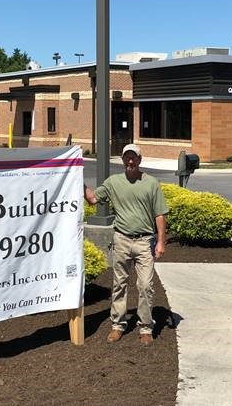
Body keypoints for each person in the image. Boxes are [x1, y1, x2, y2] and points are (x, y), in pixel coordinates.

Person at [84, 143, 168, 346]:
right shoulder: (114, 182)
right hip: (121, 239)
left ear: (140, 160)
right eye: (127, 158)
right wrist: (77, 181)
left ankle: (146, 327)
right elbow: (94, 199)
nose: (130, 161)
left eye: (134, 158)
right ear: (122, 160)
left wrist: (161, 242)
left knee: (146, 285)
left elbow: (159, 214)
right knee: (119, 284)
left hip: (144, 241)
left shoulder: (151, 183)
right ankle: (118, 325)